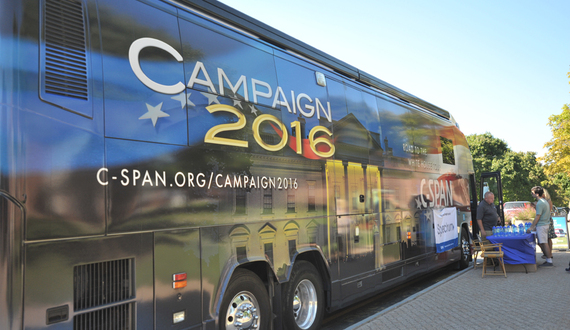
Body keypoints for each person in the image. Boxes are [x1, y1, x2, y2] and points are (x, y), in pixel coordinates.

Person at [527, 186, 553, 267]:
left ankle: (549, 260)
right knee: (542, 242)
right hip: (545, 224)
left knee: (544, 243)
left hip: (542, 225)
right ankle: (548, 259)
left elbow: (538, 216)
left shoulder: (540, 203)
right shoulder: (544, 202)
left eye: (532, 193)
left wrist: (531, 227)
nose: (532, 194)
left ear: (537, 194)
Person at [543, 189, 557, 259]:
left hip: (548, 220)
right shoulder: (543, 201)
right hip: (545, 220)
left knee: (548, 238)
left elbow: (549, 211)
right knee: (544, 238)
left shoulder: (548, 201)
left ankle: (549, 253)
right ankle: (547, 252)